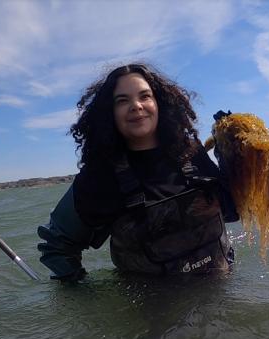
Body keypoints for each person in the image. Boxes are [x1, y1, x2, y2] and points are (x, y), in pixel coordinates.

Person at [37, 63, 238, 280]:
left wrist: (232, 155)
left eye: (145, 96)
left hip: (221, 294)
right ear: (109, 113)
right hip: (152, 310)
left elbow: (231, 211)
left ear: (159, 103)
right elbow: (56, 246)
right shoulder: (100, 177)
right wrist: (86, 297)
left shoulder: (191, 152)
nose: (136, 105)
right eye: (122, 100)